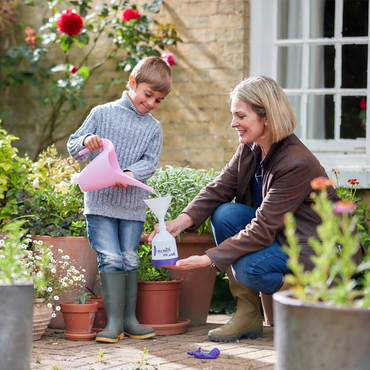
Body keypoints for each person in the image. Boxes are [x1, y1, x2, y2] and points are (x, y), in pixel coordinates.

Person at [148, 75, 365, 343]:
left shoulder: (295, 162)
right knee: (225, 214)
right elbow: (219, 188)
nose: (233, 123)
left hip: (318, 245)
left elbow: (262, 229)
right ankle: (248, 316)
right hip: (284, 235)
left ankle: (314, 290)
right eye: (233, 115)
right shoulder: (252, 146)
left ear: (266, 117)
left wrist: (209, 258)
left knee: (249, 269)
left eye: (241, 115)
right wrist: (177, 223)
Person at [67, 56, 172, 343]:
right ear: (132, 83)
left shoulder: (153, 128)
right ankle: (113, 323)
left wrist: (128, 172)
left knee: (128, 257)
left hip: (132, 205)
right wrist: (87, 141)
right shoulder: (102, 113)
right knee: (111, 257)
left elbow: (150, 163)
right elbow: (74, 144)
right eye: (148, 94)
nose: (151, 103)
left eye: (158, 100)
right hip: (100, 202)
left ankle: (129, 320)